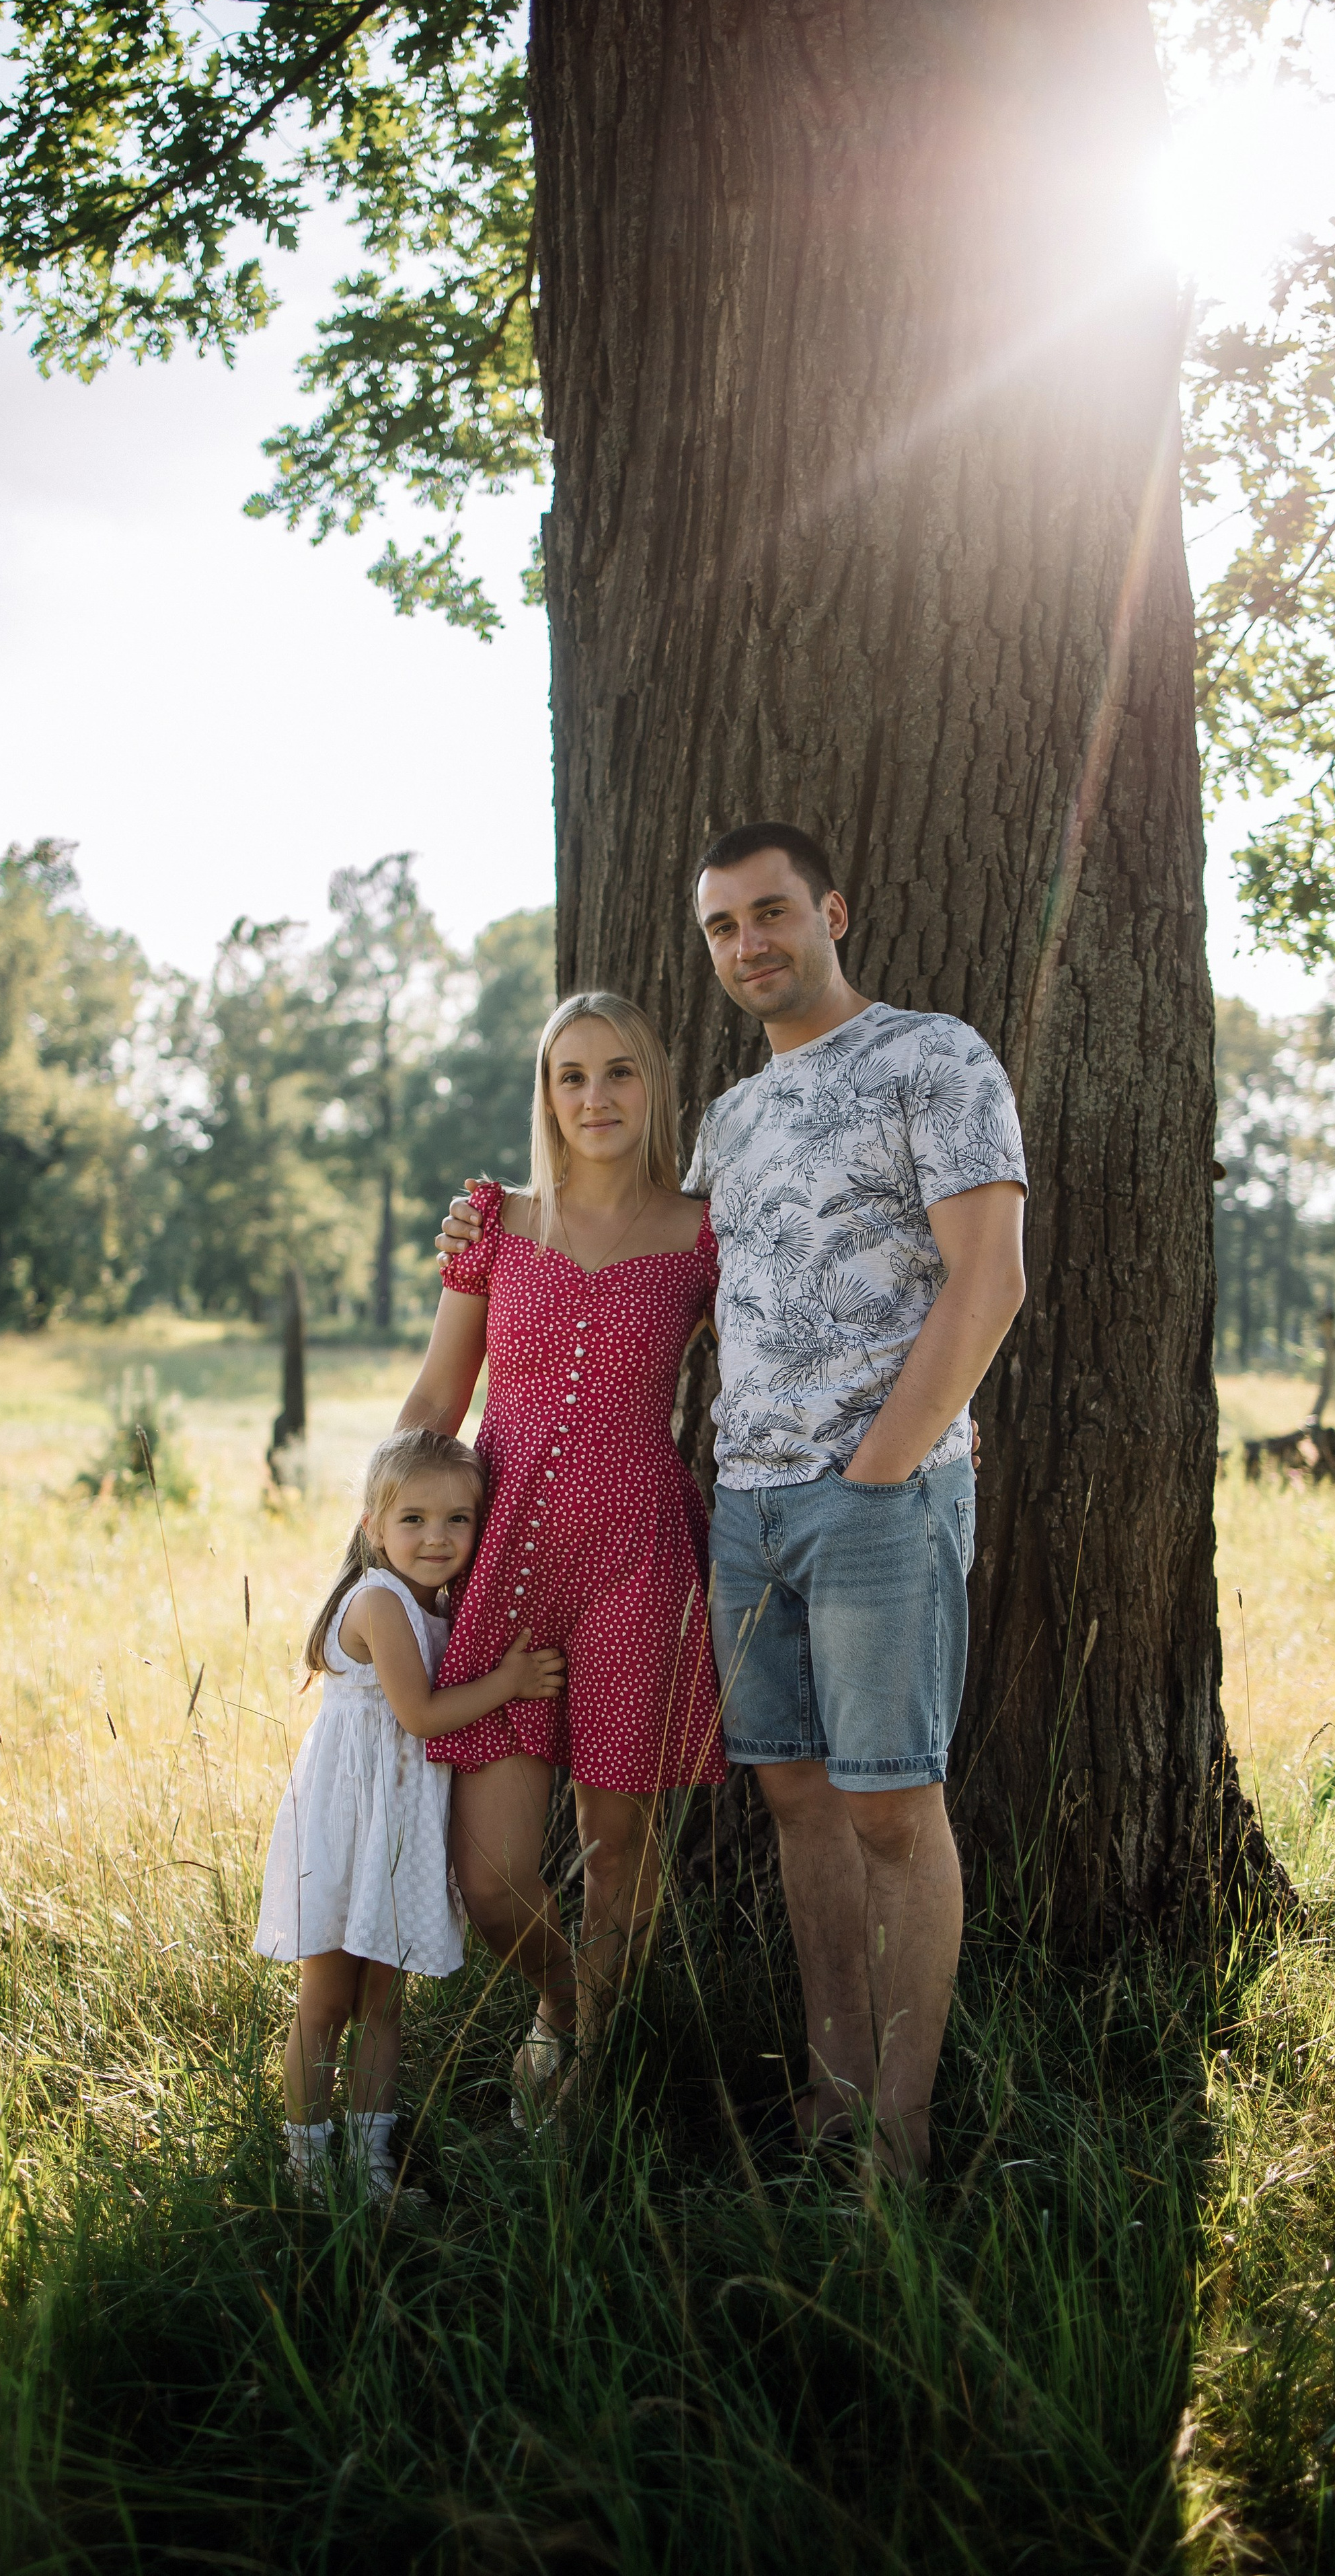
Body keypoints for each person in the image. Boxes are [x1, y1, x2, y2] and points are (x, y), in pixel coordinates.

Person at [439, 824, 1027, 2184]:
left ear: (833, 911)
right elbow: (635, 1266)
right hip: (744, 1514)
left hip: (878, 1500)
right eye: (722, 925)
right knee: (800, 1808)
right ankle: (830, 2101)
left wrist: (883, 1466)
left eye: (772, 913)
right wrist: (481, 1234)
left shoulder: (932, 1058)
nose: (749, 943)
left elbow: (988, 1280)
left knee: (892, 1810)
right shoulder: (732, 1125)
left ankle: (897, 2141)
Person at [396, 990, 726, 2126]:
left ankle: (589, 2069)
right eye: (571, 1075)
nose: (596, 1097)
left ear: (655, 1085)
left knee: (616, 1841)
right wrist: (378, 1553)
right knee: (492, 1876)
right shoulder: (495, 1223)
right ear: (545, 1095)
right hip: (508, 1558)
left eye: (620, 1071)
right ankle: (562, 2005)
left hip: (640, 1558)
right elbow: (437, 1400)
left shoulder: (703, 1235)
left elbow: (779, 1371)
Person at [254, 1426, 564, 2201]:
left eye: (458, 1519)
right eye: (413, 1520)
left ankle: (370, 2169)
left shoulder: (443, 1607)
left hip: (399, 1834)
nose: (436, 1537)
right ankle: (306, 2169)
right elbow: (420, 1716)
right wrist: (509, 1683)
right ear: (374, 1527)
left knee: (383, 2005)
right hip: (347, 1831)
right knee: (326, 2002)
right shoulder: (380, 1602)